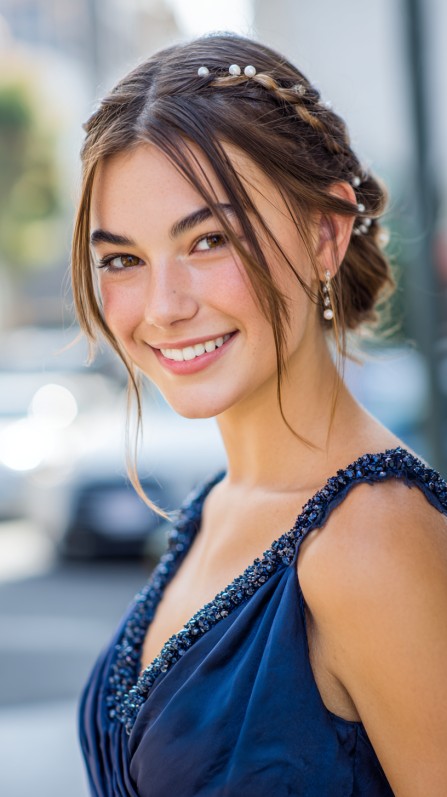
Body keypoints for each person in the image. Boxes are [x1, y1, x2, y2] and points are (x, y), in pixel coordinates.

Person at [73, 33, 447, 797]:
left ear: (324, 234)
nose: (164, 306)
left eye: (209, 240)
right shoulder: (217, 502)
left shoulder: (373, 539)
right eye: (122, 259)